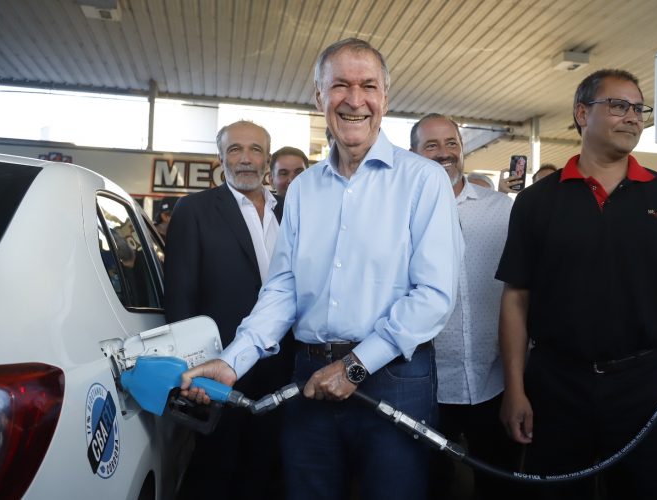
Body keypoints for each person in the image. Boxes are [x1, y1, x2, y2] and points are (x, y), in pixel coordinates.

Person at [180, 38, 462, 500]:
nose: (354, 100)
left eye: (368, 86)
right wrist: (232, 363)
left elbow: (433, 297)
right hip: (308, 377)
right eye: (340, 86)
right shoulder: (305, 188)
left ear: (385, 98)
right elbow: (283, 289)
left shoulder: (423, 180)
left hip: (394, 379)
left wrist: (352, 367)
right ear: (318, 96)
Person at [496, 68, 657, 499]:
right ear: (582, 113)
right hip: (558, 384)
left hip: (647, 383)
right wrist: (515, 388)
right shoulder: (537, 202)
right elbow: (516, 299)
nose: (633, 118)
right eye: (618, 106)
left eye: (639, 109)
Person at [163, 120, 292, 500]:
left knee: (268, 467)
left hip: (284, 365)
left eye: (255, 150)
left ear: (268, 159)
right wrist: (192, 369)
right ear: (219, 158)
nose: (246, 159)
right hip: (220, 365)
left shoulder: (291, 212)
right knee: (217, 469)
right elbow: (180, 297)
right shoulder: (195, 210)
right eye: (235, 149)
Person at [410, 114, 519, 499]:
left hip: (493, 381)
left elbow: (521, 288)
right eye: (432, 145)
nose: (444, 154)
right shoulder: (399, 214)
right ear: (413, 154)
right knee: (430, 485)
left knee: (498, 483)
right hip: (423, 383)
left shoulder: (501, 209)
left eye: (451, 144)